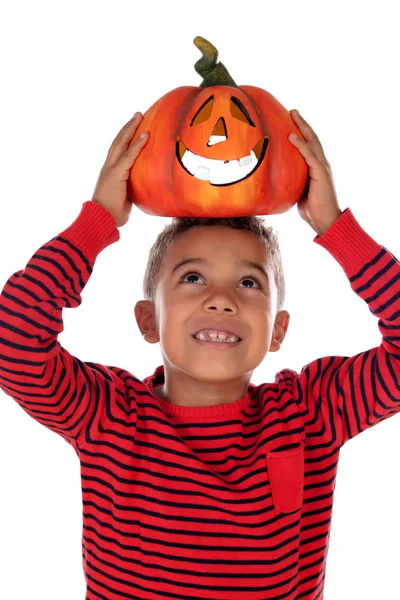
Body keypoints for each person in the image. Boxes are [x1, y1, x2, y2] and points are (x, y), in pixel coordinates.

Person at [0, 109, 399, 600]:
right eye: (192, 278)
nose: (221, 298)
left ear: (277, 330)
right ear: (149, 320)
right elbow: (13, 340)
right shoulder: (107, 415)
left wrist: (335, 227)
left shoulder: (311, 412)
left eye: (249, 283)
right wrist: (97, 222)